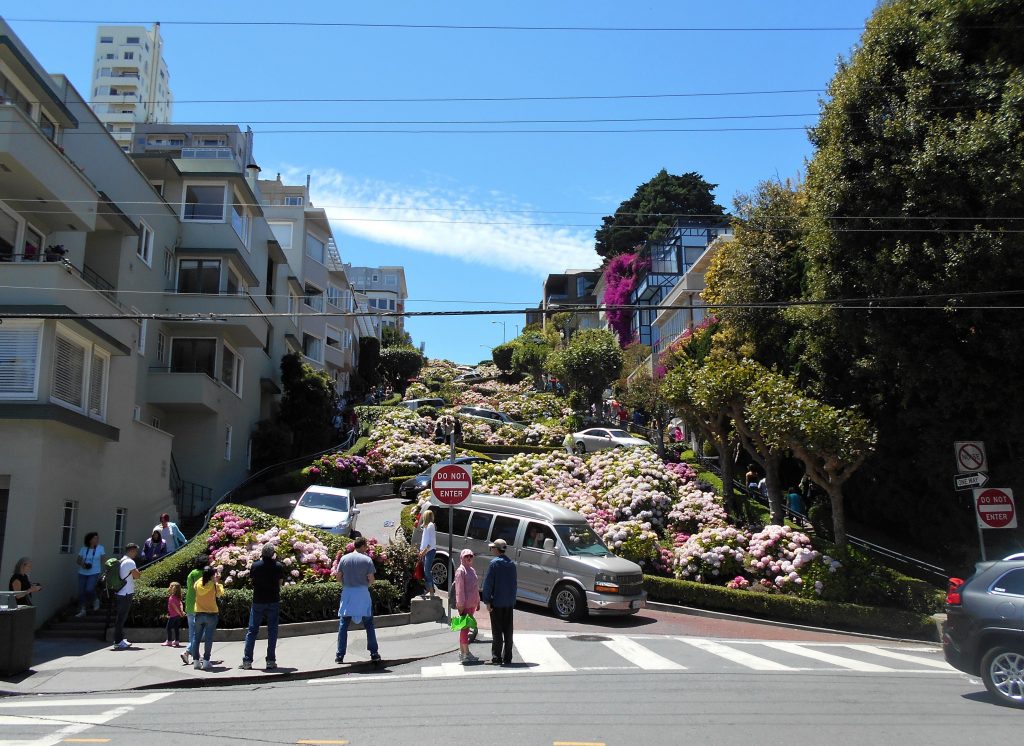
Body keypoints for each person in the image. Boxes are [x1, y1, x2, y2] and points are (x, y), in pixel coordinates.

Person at [332, 537, 382, 666]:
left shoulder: (344, 559)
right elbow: (371, 579)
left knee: (343, 624)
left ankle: (339, 655)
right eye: (366, 546)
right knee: (369, 624)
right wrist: (367, 584)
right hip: (362, 593)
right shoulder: (367, 560)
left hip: (348, 593)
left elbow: (338, 577)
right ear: (363, 546)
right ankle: (374, 653)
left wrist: (345, 584)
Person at [241, 544, 286, 671]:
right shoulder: (278, 566)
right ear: (273, 553)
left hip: (258, 600)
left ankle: (247, 661)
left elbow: (252, 581)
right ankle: (270, 661)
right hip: (273, 600)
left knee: (252, 631)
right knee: (272, 631)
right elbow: (280, 583)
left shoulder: (255, 566)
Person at [481, 538, 517, 666]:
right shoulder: (512, 564)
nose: (491, 549)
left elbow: (488, 584)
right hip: (508, 602)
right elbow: (514, 585)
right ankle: (508, 656)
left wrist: (487, 601)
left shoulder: (494, 564)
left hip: (497, 602)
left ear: (496, 549)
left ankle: (496, 657)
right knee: (508, 631)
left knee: (497, 631)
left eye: (492, 548)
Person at [190, 565, 224, 670]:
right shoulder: (213, 585)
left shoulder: (198, 583)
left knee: (196, 638)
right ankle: (206, 661)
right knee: (208, 638)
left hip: (199, 613)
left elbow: (196, 586)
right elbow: (220, 594)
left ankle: (196, 661)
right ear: (211, 575)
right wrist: (217, 582)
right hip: (211, 614)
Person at [453, 548, 480, 664]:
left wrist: (478, 602)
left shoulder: (472, 570)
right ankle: (466, 653)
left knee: (465, 628)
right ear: (462, 558)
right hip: (465, 605)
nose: (469, 558)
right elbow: (459, 590)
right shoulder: (461, 571)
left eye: (471, 556)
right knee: (465, 629)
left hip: (472, 604)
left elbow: (475, 587)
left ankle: (462, 652)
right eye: (466, 556)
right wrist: (460, 605)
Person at [112, 543, 141, 651]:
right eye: (135, 551)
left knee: (121, 617)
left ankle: (120, 639)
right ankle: (118, 641)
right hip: (126, 593)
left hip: (121, 592)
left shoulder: (122, 560)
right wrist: (138, 572)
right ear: (132, 550)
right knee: (121, 618)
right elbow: (137, 576)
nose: (136, 554)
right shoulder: (130, 562)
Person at [180, 555, 207, 665]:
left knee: (192, 633)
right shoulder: (204, 574)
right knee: (202, 632)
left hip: (190, 604)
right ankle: (187, 651)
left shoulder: (191, 573)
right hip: (200, 606)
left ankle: (196, 655)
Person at [75, 532, 105, 617]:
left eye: (97, 538)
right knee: (81, 592)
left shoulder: (100, 548)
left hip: (94, 572)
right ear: (89, 540)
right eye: (94, 538)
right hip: (82, 572)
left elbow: (103, 559)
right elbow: (78, 560)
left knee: (89, 589)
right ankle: (82, 610)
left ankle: (96, 600)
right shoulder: (84, 549)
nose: (96, 540)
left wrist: (102, 570)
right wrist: (83, 565)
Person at [418, 510, 437, 599]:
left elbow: (431, 542)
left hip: (429, 551)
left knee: (426, 570)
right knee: (426, 571)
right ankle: (430, 589)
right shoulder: (426, 526)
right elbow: (424, 541)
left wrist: (424, 551)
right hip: (426, 551)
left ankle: (431, 591)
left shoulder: (430, 526)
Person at [164, 582, 184, 647]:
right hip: (177, 616)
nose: (169, 588)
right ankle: (177, 641)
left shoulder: (171, 598)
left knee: (168, 628)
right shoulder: (178, 597)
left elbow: (175, 607)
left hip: (173, 616)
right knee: (176, 628)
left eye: (170, 586)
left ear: (173, 589)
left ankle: (169, 641)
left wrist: (180, 613)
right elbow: (181, 604)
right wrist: (181, 612)